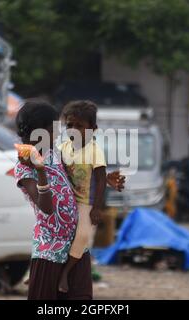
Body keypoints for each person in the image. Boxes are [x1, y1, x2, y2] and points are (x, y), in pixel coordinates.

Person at [14, 100, 124, 300]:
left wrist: (104, 179)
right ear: (41, 131)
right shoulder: (25, 166)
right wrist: (40, 171)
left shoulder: (55, 153)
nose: (59, 133)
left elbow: (77, 177)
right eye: (54, 128)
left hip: (75, 248)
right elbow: (45, 207)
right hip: (50, 252)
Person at [57, 100, 123, 293]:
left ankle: (65, 274)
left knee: (83, 237)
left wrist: (96, 208)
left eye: (80, 126)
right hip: (66, 203)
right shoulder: (63, 149)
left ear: (93, 129)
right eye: (69, 125)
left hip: (85, 204)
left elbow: (101, 181)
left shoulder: (95, 151)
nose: (74, 130)